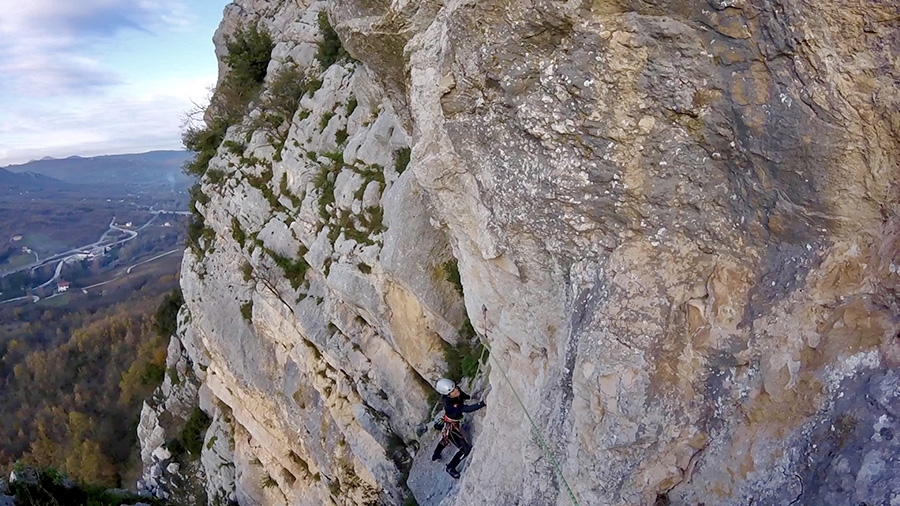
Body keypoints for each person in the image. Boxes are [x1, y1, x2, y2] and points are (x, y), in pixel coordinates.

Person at [431, 377, 486, 479]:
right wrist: (482, 403)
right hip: (451, 426)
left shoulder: (454, 391)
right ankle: (450, 467)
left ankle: (436, 454)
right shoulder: (450, 404)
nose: (457, 390)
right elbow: (467, 408)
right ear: (448, 395)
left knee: (446, 438)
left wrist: (471, 397)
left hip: (451, 421)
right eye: (453, 390)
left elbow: (464, 396)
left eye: (456, 387)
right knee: (465, 449)